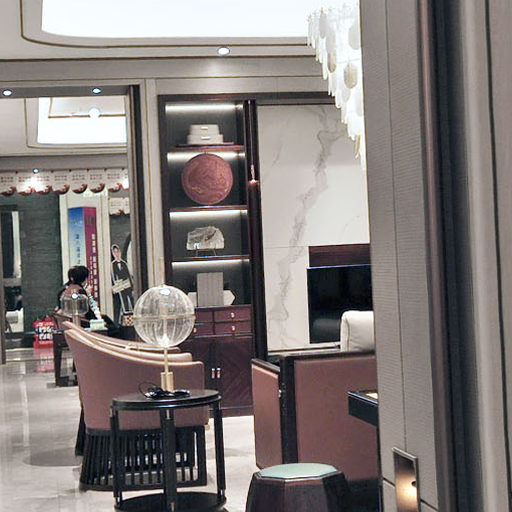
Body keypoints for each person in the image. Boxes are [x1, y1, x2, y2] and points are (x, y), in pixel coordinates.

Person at [57, 265, 118, 335]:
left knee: (105, 318)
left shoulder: (62, 291)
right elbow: (88, 313)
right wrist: (99, 320)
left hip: (66, 321)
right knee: (113, 328)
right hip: (81, 322)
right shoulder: (80, 291)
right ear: (85, 279)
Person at [111, 244, 134, 323]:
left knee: (131, 300)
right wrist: (116, 286)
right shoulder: (113, 264)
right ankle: (126, 319)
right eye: (114, 252)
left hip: (127, 286)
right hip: (120, 287)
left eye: (117, 252)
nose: (116, 254)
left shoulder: (124, 263)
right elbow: (114, 277)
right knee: (124, 303)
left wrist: (132, 286)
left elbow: (128, 275)